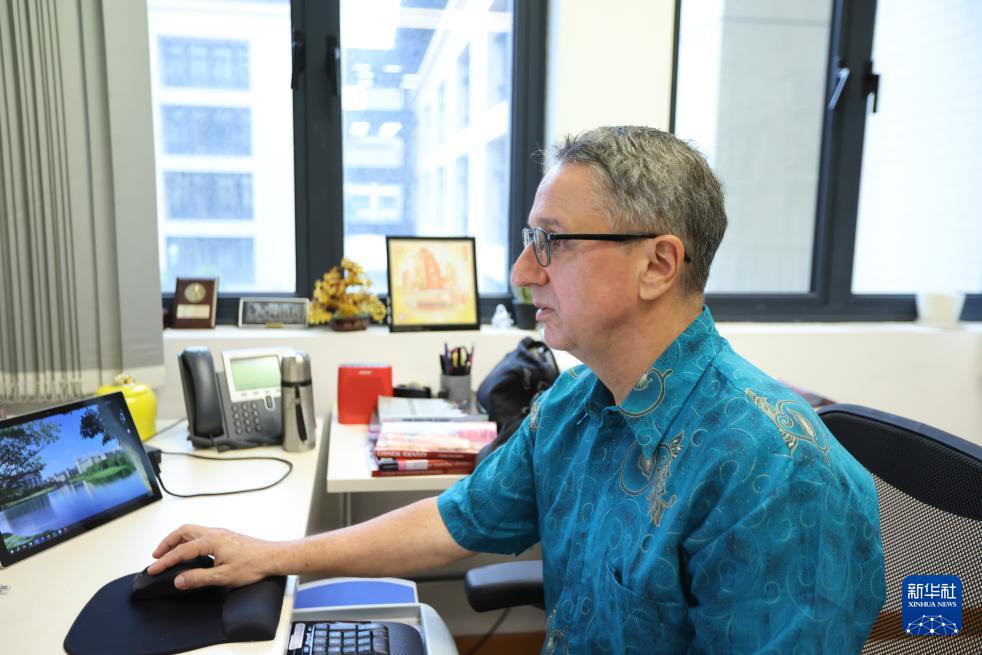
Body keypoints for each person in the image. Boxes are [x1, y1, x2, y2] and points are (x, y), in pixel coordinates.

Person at [150, 126, 885, 653]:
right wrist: (275, 554)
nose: (522, 272)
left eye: (551, 242)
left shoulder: (779, 474)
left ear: (658, 265)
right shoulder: (575, 405)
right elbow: (455, 520)